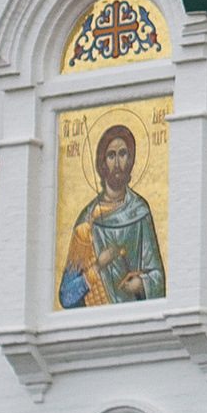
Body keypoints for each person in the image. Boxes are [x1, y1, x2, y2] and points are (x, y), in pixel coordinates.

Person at [57, 121, 166, 306]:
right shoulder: (87, 222)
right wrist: (97, 267)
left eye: (123, 154)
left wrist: (141, 284)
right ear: (102, 163)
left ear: (131, 160)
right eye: (111, 156)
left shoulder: (139, 211)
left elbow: (158, 277)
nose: (117, 163)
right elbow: (66, 297)